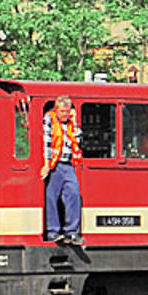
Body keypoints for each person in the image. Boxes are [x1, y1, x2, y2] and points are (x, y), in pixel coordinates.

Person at [42, 97, 84, 246]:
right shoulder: (50, 119)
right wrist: (46, 164)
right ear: (56, 110)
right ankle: (53, 231)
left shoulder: (72, 123)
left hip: (68, 164)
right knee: (51, 196)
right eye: (61, 111)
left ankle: (71, 231)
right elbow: (46, 141)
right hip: (55, 165)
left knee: (73, 194)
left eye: (67, 112)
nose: (64, 114)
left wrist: (76, 122)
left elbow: (78, 141)